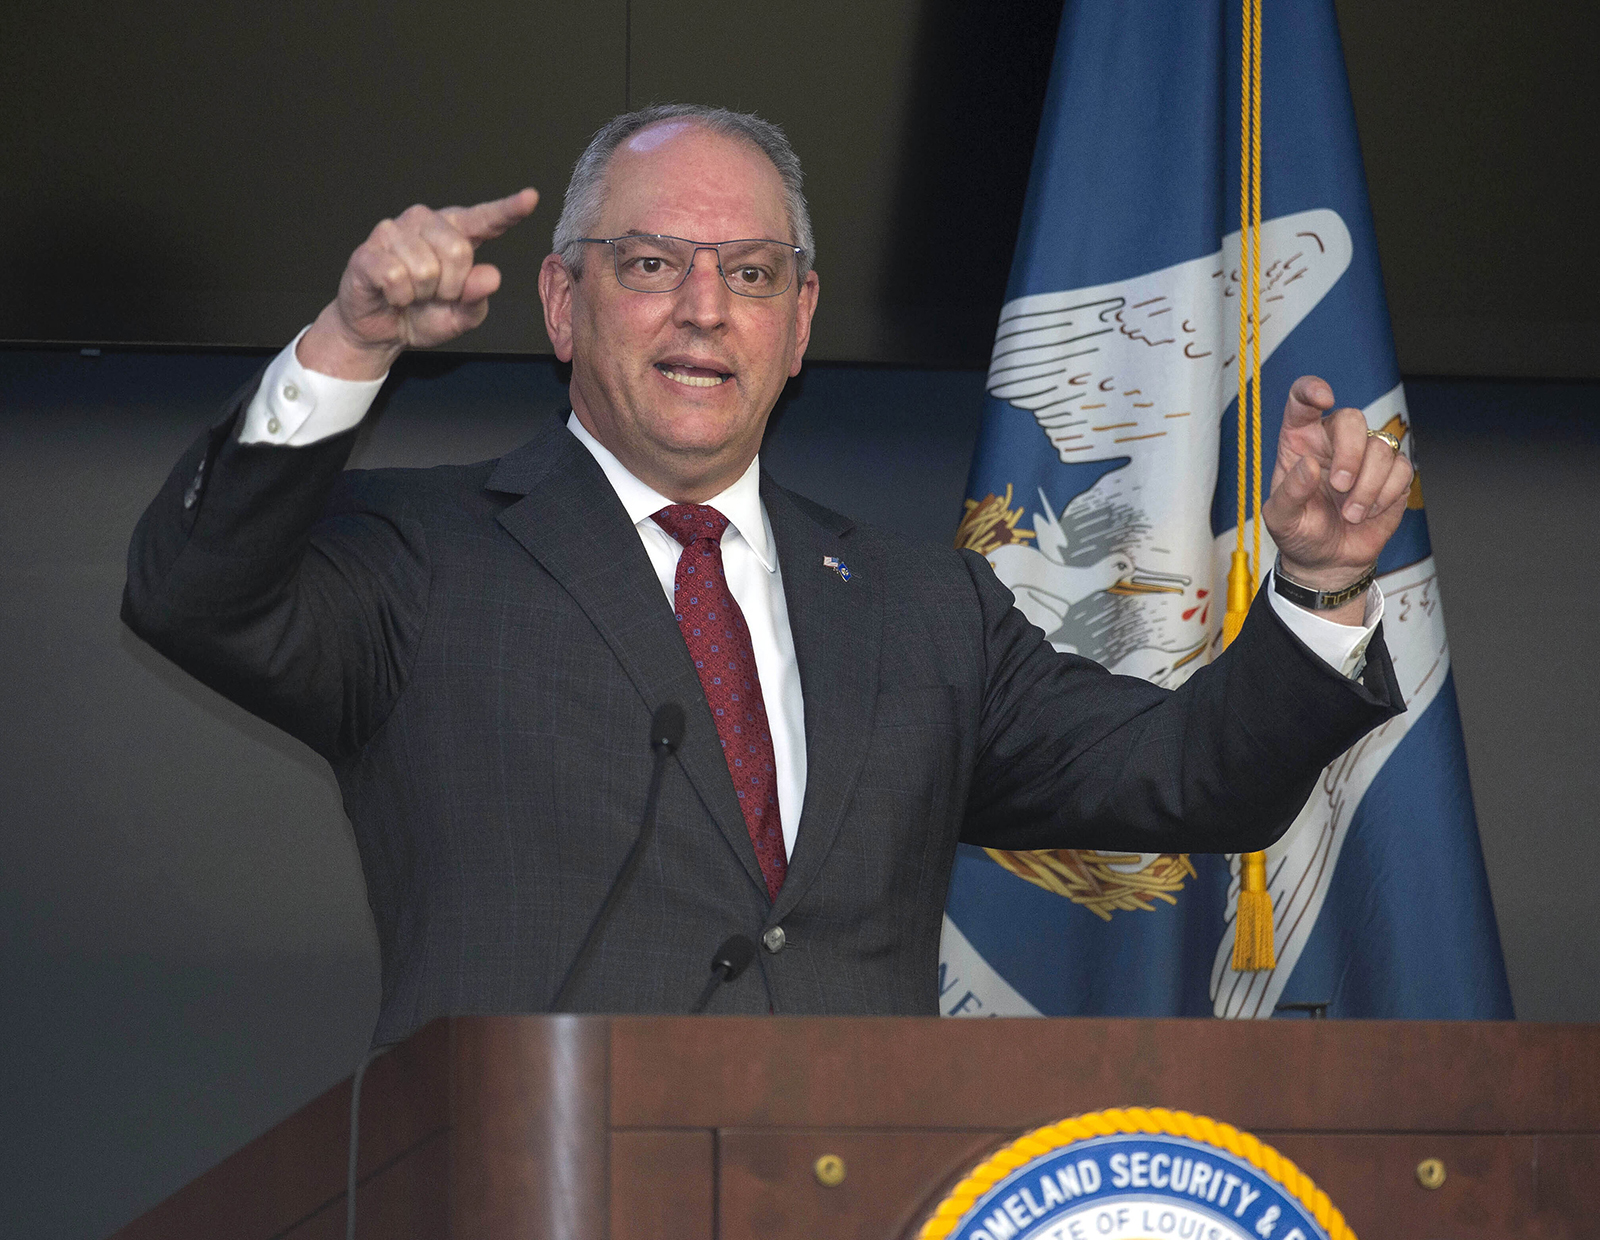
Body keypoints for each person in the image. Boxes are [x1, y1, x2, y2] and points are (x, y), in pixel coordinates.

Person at [123, 105, 1411, 1043]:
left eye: (748, 276)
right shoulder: (421, 563)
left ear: (798, 327)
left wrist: (1322, 585)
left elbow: (1191, 776)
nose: (703, 309)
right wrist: (349, 339)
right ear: (564, 305)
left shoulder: (923, 608)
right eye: (651, 265)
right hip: (535, 1183)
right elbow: (197, 594)